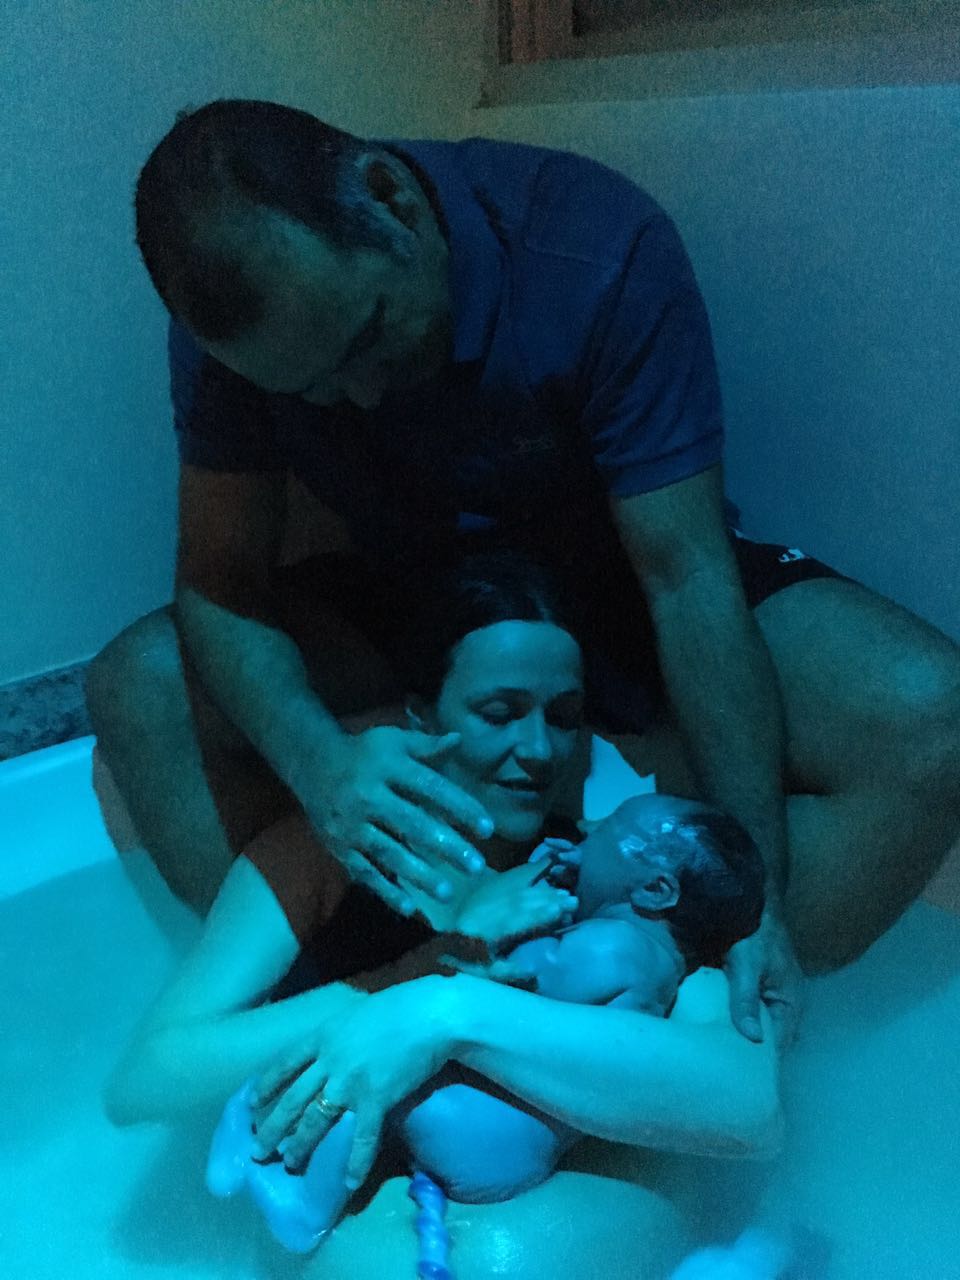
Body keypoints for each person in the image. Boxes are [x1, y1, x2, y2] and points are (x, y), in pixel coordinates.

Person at [85, 99, 960, 1056]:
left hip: (622, 579)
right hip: (413, 597)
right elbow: (219, 572)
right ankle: (337, 1017)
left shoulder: (593, 246)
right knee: (141, 684)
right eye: (312, 391)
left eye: (366, 339)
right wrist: (320, 766)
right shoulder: (241, 332)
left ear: (392, 202)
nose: (360, 394)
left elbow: (684, 574)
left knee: (931, 717)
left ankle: (680, 1017)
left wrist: (753, 900)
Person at [104, 554, 782, 1280]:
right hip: (357, 1213)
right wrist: (413, 976)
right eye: (499, 713)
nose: (539, 749)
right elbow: (147, 1081)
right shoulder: (324, 857)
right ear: (422, 718)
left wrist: (450, 1012)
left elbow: (749, 1108)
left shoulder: (619, 887)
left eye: (563, 718)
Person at [205, 791, 765, 1252]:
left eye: (610, 829)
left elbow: (525, 976)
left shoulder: (616, 946)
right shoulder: (659, 970)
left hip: (485, 1134)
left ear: (656, 889)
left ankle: (301, 1198)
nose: (589, 830)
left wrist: (528, 918)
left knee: (370, 1081)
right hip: (516, 1141)